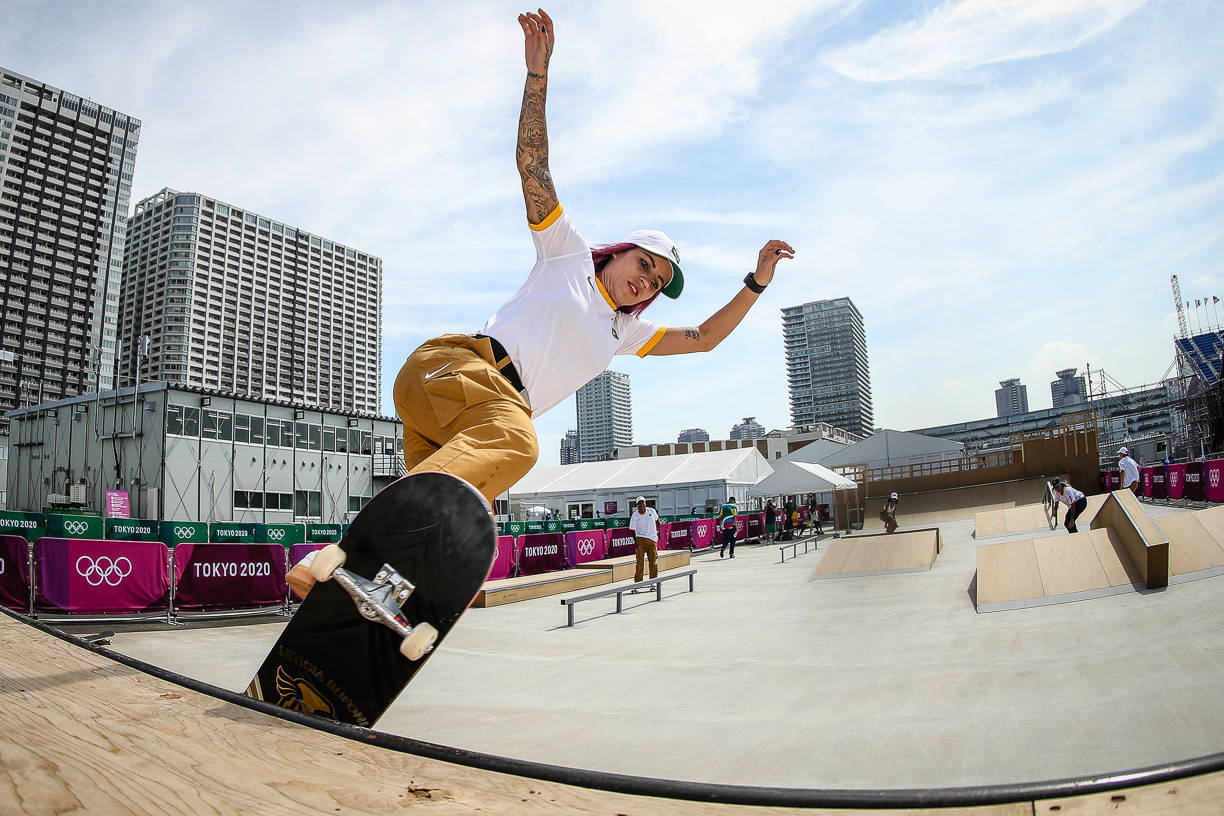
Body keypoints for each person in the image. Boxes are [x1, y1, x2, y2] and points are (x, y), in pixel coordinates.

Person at [288, 9, 794, 597]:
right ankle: (353, 550)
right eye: (644, 266)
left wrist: (754, 284)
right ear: (617, 255)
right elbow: (533, 165)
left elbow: (703, 338)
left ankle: (361, 587)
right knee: (520, 440)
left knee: (449, 514)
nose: (646, 283)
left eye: (656, 283)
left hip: (456, 421)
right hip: (458, 370)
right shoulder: (568, 254)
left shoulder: (625, 334)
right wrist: (538, 78)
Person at [628, 497, 661, 588]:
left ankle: (653, 580)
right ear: (637, 505)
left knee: (653, 561)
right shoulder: (635, 516)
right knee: (640, 562)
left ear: (645, 503)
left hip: (652, 539)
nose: (641, 505)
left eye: (642, 503)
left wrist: (660, 532)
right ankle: (638, 582)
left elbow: (657, 521)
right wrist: (636, 543)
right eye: (639, 503)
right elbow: (632, 530)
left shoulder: (652, 511)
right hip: (640, 539)